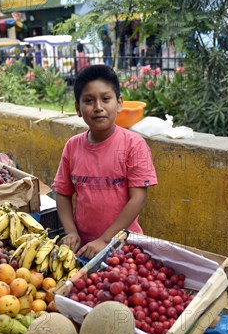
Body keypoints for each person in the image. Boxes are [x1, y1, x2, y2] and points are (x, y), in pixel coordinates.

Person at [52, 64, 157, 259]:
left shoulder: (134, 145)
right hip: (84, 249)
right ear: (78, 108)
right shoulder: (72, 146)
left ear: (119, 103)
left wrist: (106, 239)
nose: (98, 107)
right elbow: (63, 193)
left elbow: (138, 199)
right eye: (89, 101)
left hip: (125, 245)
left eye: (106, 99)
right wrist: (71, 232)